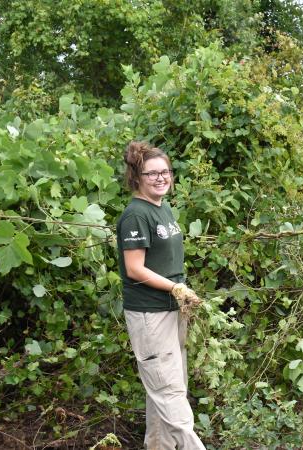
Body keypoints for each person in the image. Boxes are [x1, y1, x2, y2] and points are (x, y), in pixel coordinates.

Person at [116, 141, 206, 449]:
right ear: (136, 177)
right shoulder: (136, 215)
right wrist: (175, 287)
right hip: (149, 315)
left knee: (165, 389)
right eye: (151, 173)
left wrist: (178, 291)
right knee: (169, 393)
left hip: (170, 311)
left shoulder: (162, 207)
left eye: (165, 172)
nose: (160, 178)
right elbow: (135, 268)